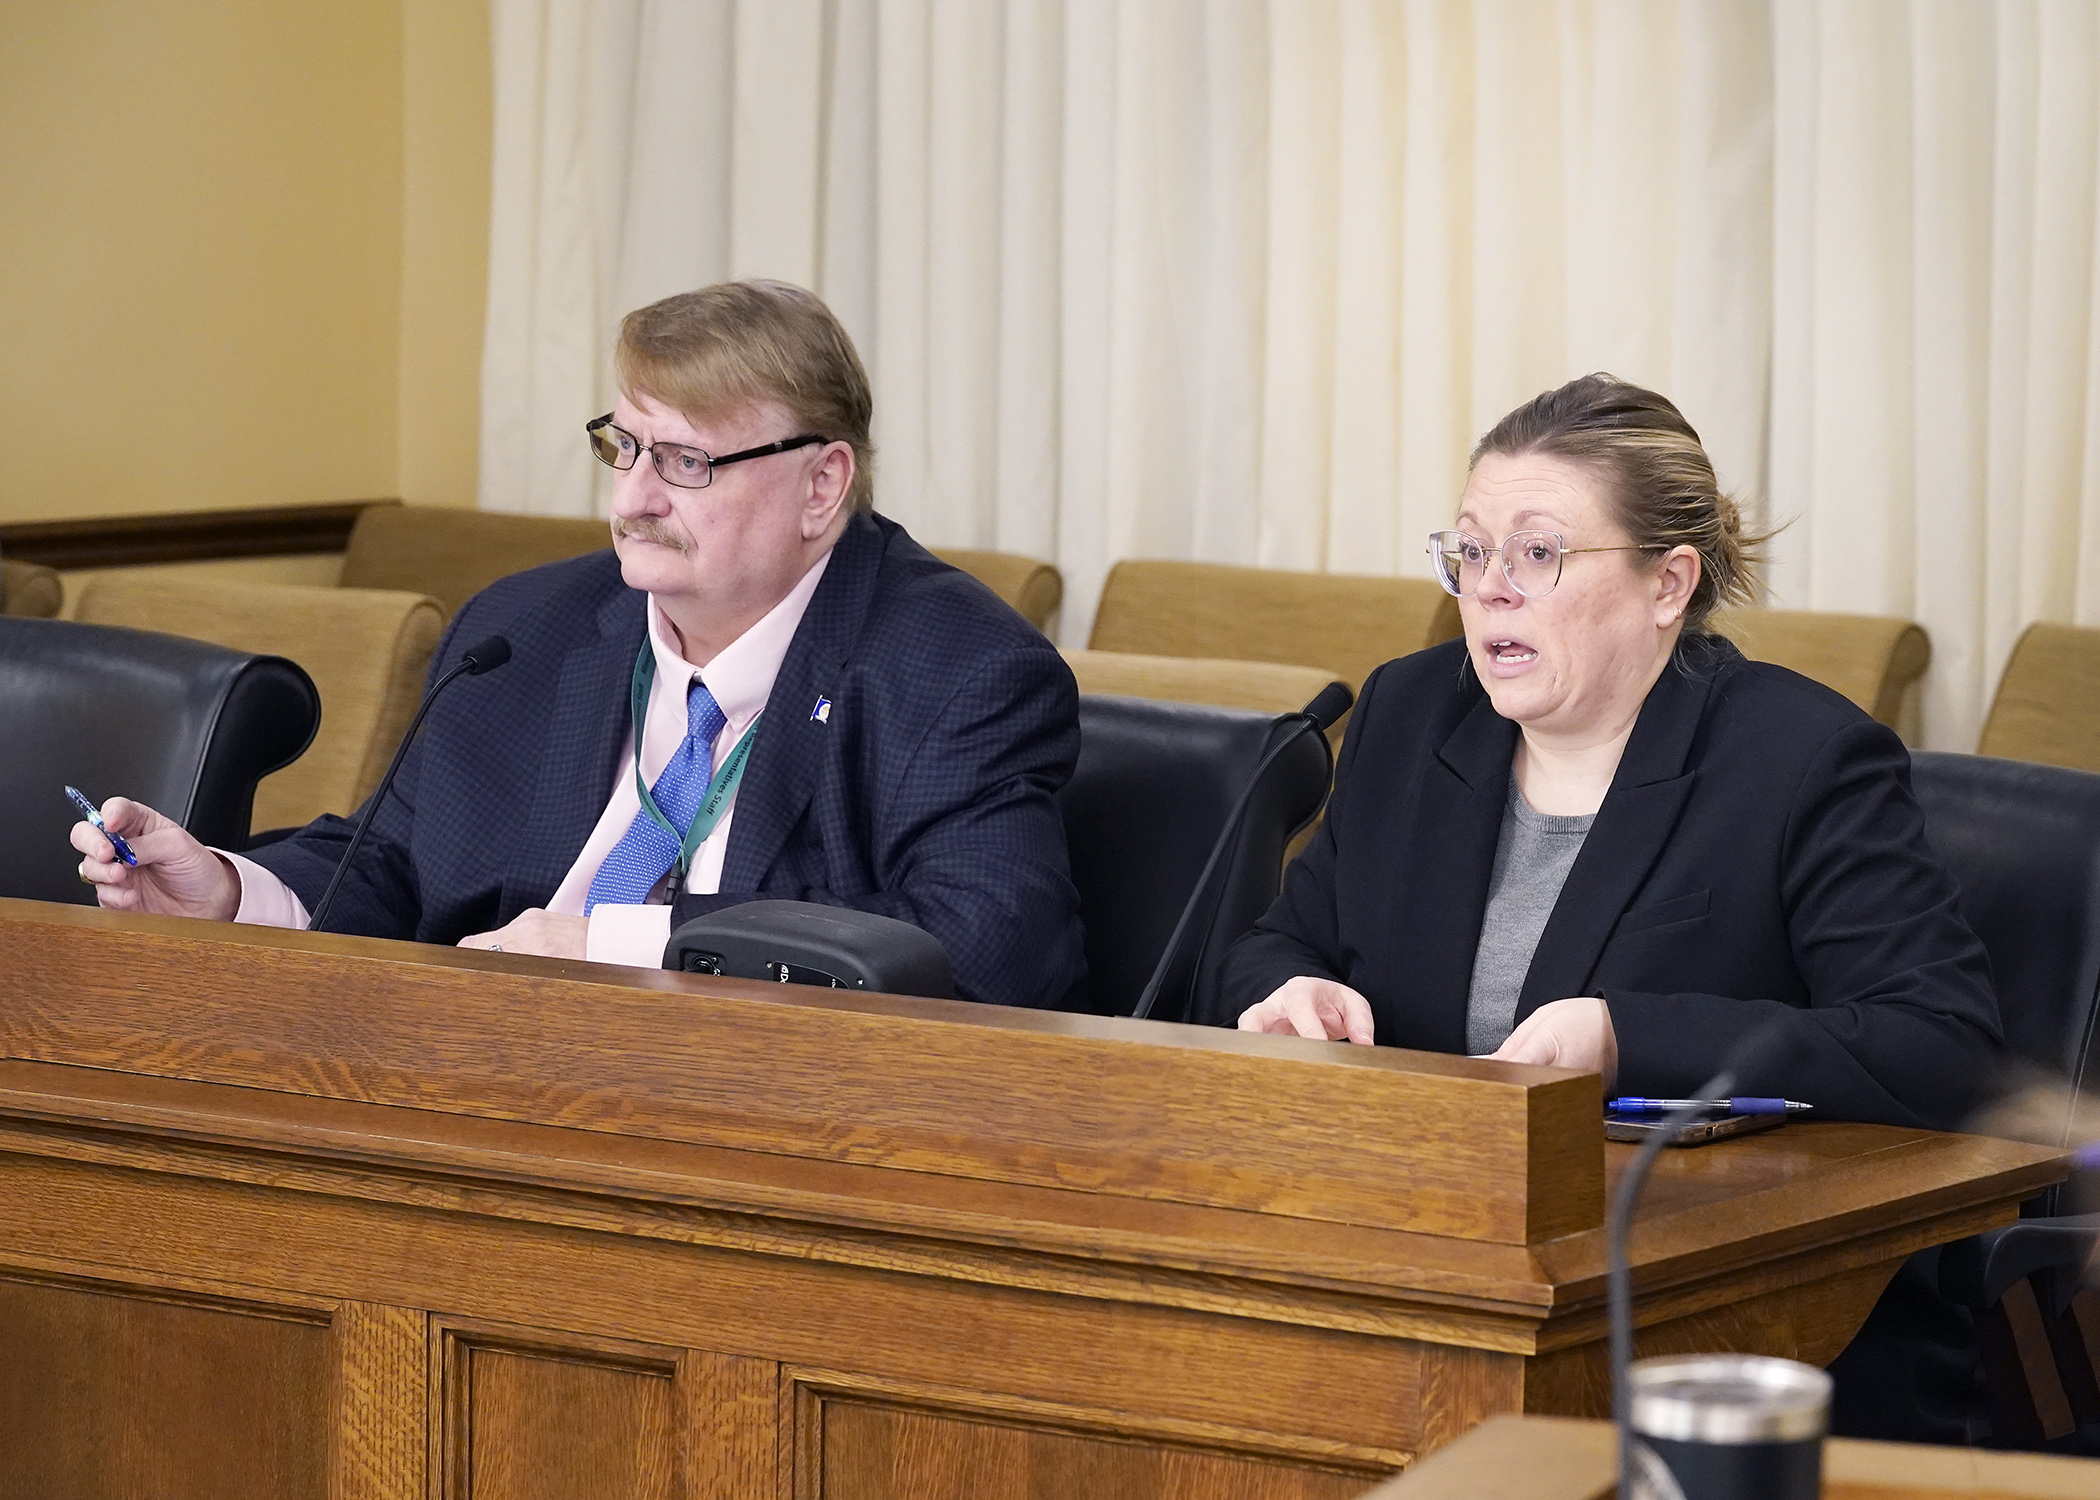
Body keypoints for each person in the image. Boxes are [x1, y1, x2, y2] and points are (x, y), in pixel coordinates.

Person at [71, 279, 1088, 1010]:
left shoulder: (958, 671)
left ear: (822, 485)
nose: (635, 498)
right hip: (492, 1077)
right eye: (627, 446)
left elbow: (985, 945)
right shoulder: (527, 629)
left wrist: (618, 943)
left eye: (688, 461)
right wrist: (236, 889)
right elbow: (398, 859)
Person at [1223, 373, 2002, 1132]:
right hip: (1418, 1203)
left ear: (1667, 585)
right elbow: (1283, 941)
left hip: (1678, 1229)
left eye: (1536, 553)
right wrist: (1294, 989)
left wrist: (1624, 1041)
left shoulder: (1802, 759)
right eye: (1470, 550)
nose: (1488, 587)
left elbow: (1939, 1046)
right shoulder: (1411, 714)